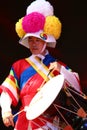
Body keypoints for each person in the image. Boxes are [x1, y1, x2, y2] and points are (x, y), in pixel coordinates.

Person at [0, 0, 81, 130]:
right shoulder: (19, 65)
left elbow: (76, 87)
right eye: (30, 40)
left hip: (53, 122)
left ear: (46, 41)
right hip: (26, 121)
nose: (33, 44)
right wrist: (6, 111)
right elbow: (7, 91)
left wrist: (62, 71)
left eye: (37, 40)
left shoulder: (57, 65)